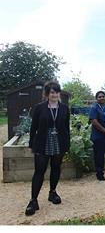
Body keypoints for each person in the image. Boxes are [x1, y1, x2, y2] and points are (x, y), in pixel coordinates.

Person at [25, 81, 70, 216]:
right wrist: (31, 144)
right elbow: (33, 128)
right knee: (39, 170)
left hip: (59, 141)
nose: (54, 94)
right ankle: (33, 201)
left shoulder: (64, 108)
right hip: (43, 142)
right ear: (47, 94)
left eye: (56, 92)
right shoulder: (39, 108)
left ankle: (52, 192)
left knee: (56, 167)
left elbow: (66, 128)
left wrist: (67, 143)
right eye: (51, 92)